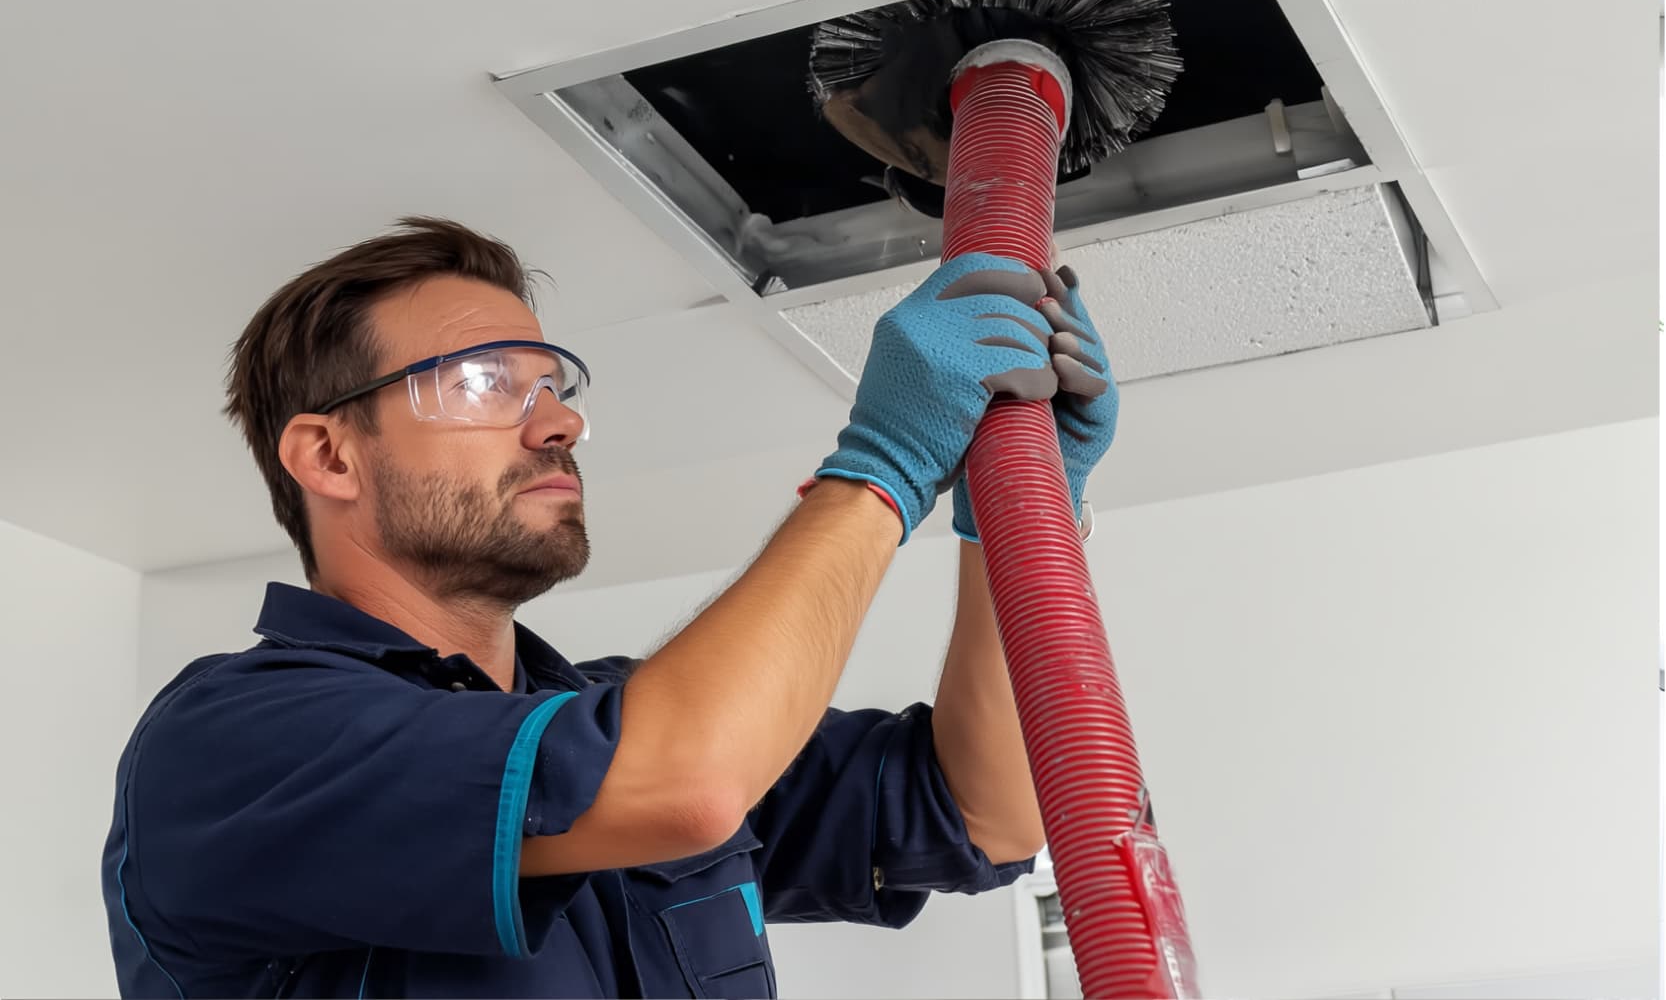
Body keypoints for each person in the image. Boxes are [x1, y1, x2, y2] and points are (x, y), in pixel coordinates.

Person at [101, 216, 1117, 998]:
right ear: (328, 454)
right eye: (484, 382)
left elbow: (987, 810)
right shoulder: (235, 743)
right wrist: (885, 465)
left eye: (551, 383)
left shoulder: (616, 720)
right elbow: (684, 779)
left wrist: (1020, 517)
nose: (561, 422)